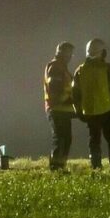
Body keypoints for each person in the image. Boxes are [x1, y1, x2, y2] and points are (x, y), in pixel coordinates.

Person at [72, 38, 110, 169]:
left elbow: (75, 94)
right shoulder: (107, 68)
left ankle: (96, 167)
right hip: (108, 110)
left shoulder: (79, 70)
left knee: (94, 141)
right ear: (102, 52)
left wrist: (79, 112)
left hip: (89, 112)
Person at [44, 42, 75, 170]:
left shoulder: (61, 67)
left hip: (63, 108)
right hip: (57, 108)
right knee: (60, 138)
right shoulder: (56, 67)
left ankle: (59, 166)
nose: (71, 57)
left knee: (65, 138)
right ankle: (56, 168)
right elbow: (55, 89)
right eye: (69, 54)